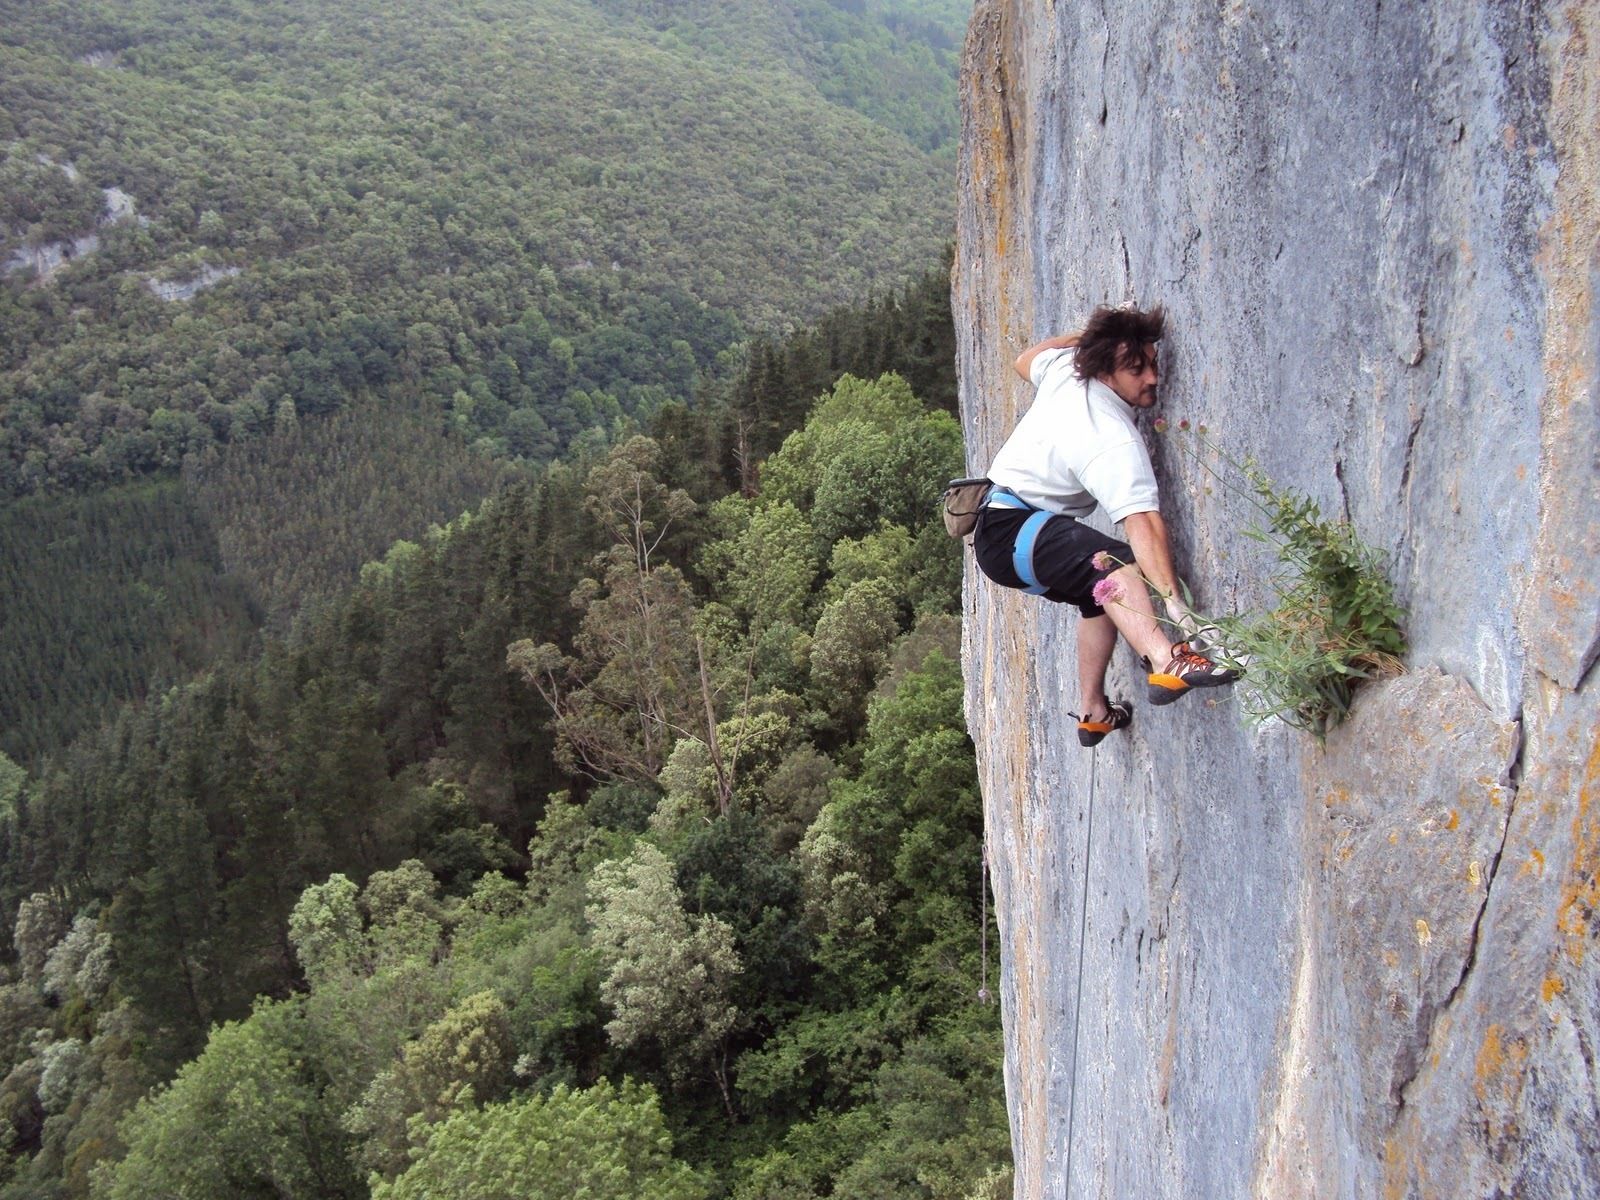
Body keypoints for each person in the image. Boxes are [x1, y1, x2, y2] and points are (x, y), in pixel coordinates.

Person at [972, 304, 1237, 747]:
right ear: (1107, 370)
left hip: (1003, 531)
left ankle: (1093, 710)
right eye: (1137, 369)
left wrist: (1089, 339)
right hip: (1016, 529)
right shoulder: (1106, 432)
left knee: (1098, 598)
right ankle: (1166, 660)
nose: (1152, 377)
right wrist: (1178, 610)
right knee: (1112, 565)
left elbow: (1025, 359)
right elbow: (1143, 523)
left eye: (1152, 362)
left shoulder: (1066, 369)